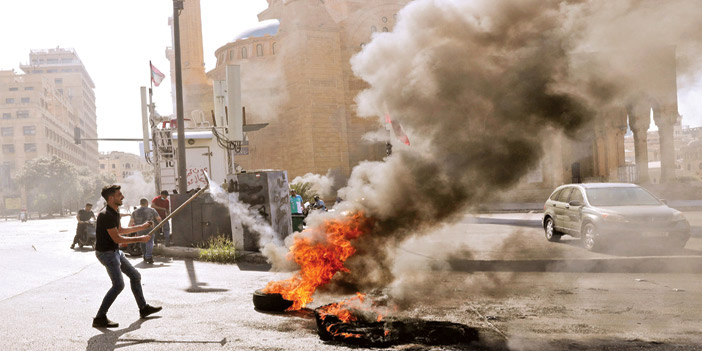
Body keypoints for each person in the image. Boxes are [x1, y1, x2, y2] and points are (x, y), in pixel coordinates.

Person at [93, 184, 161, 328]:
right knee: (118, 285)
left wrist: (141, 227)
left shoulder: (114, 211)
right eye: (119, 195)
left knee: (135, 276)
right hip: (106, 254)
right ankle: (99, 317)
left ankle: (143, 308)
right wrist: (140, 238)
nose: (122, 196)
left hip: (114, 251)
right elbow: (117, 238)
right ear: (111, 198)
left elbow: (121, 230)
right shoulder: (106, 215)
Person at [129, 198, 161, 264]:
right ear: (146, 203)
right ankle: (148, 257)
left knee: (142, 242)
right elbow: (158, 219)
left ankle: (144, 256)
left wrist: (129, 231)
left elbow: (131, 222)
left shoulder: (134, 212)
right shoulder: (152, 210)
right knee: (149, 242)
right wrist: (160, 226)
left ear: (140, 204)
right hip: (150, 229)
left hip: (139, 230)